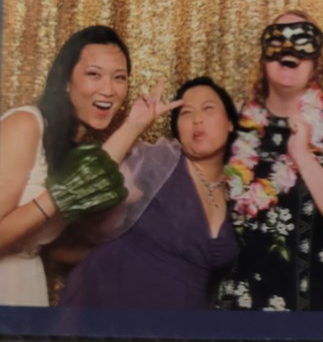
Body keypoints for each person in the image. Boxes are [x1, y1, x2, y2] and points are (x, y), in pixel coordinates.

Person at [218, 10, 323, 311]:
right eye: (278, 41)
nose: (288, 51)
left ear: (316, 60)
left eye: (301, 42)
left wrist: (303, 156)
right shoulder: (238, 118)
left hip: (315, 311)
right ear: (263, 57)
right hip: (239, 312)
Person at [58, 76, 240, 310]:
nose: (197, 120)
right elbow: (85, 186)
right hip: (110, 306)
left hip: (182, 325)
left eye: (208, 108)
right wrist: (133, 126)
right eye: (185, 113)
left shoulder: (241, 190)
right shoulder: (158, 162)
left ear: (230, 123)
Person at [0, 26, 131, 306]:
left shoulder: (68, 150)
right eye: (93, 74)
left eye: (119, 77)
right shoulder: (26, 125)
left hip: (27, 288)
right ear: (66, 81)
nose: (108, 89)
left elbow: (50, 247)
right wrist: (58, 197)